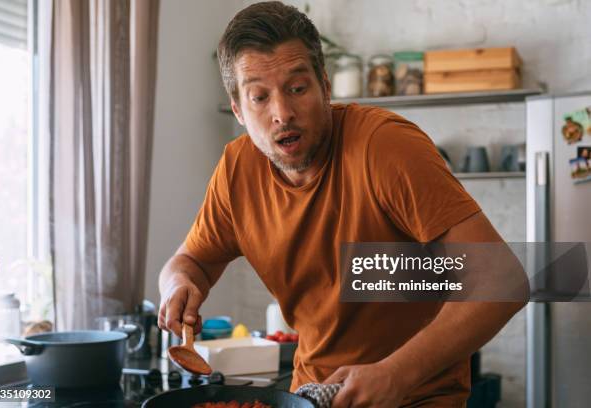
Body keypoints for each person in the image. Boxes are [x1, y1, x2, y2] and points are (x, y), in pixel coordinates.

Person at [158, 2, 526, 407]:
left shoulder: (385, 147)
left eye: (297, 89)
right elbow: (191, 262)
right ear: (239, 112)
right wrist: (177, 285)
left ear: (325, 87)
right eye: (259, 97)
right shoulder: (236, 169)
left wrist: (397, 373)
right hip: (311, 395)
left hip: (413, 394)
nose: (282, 113)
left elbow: (502, 282)